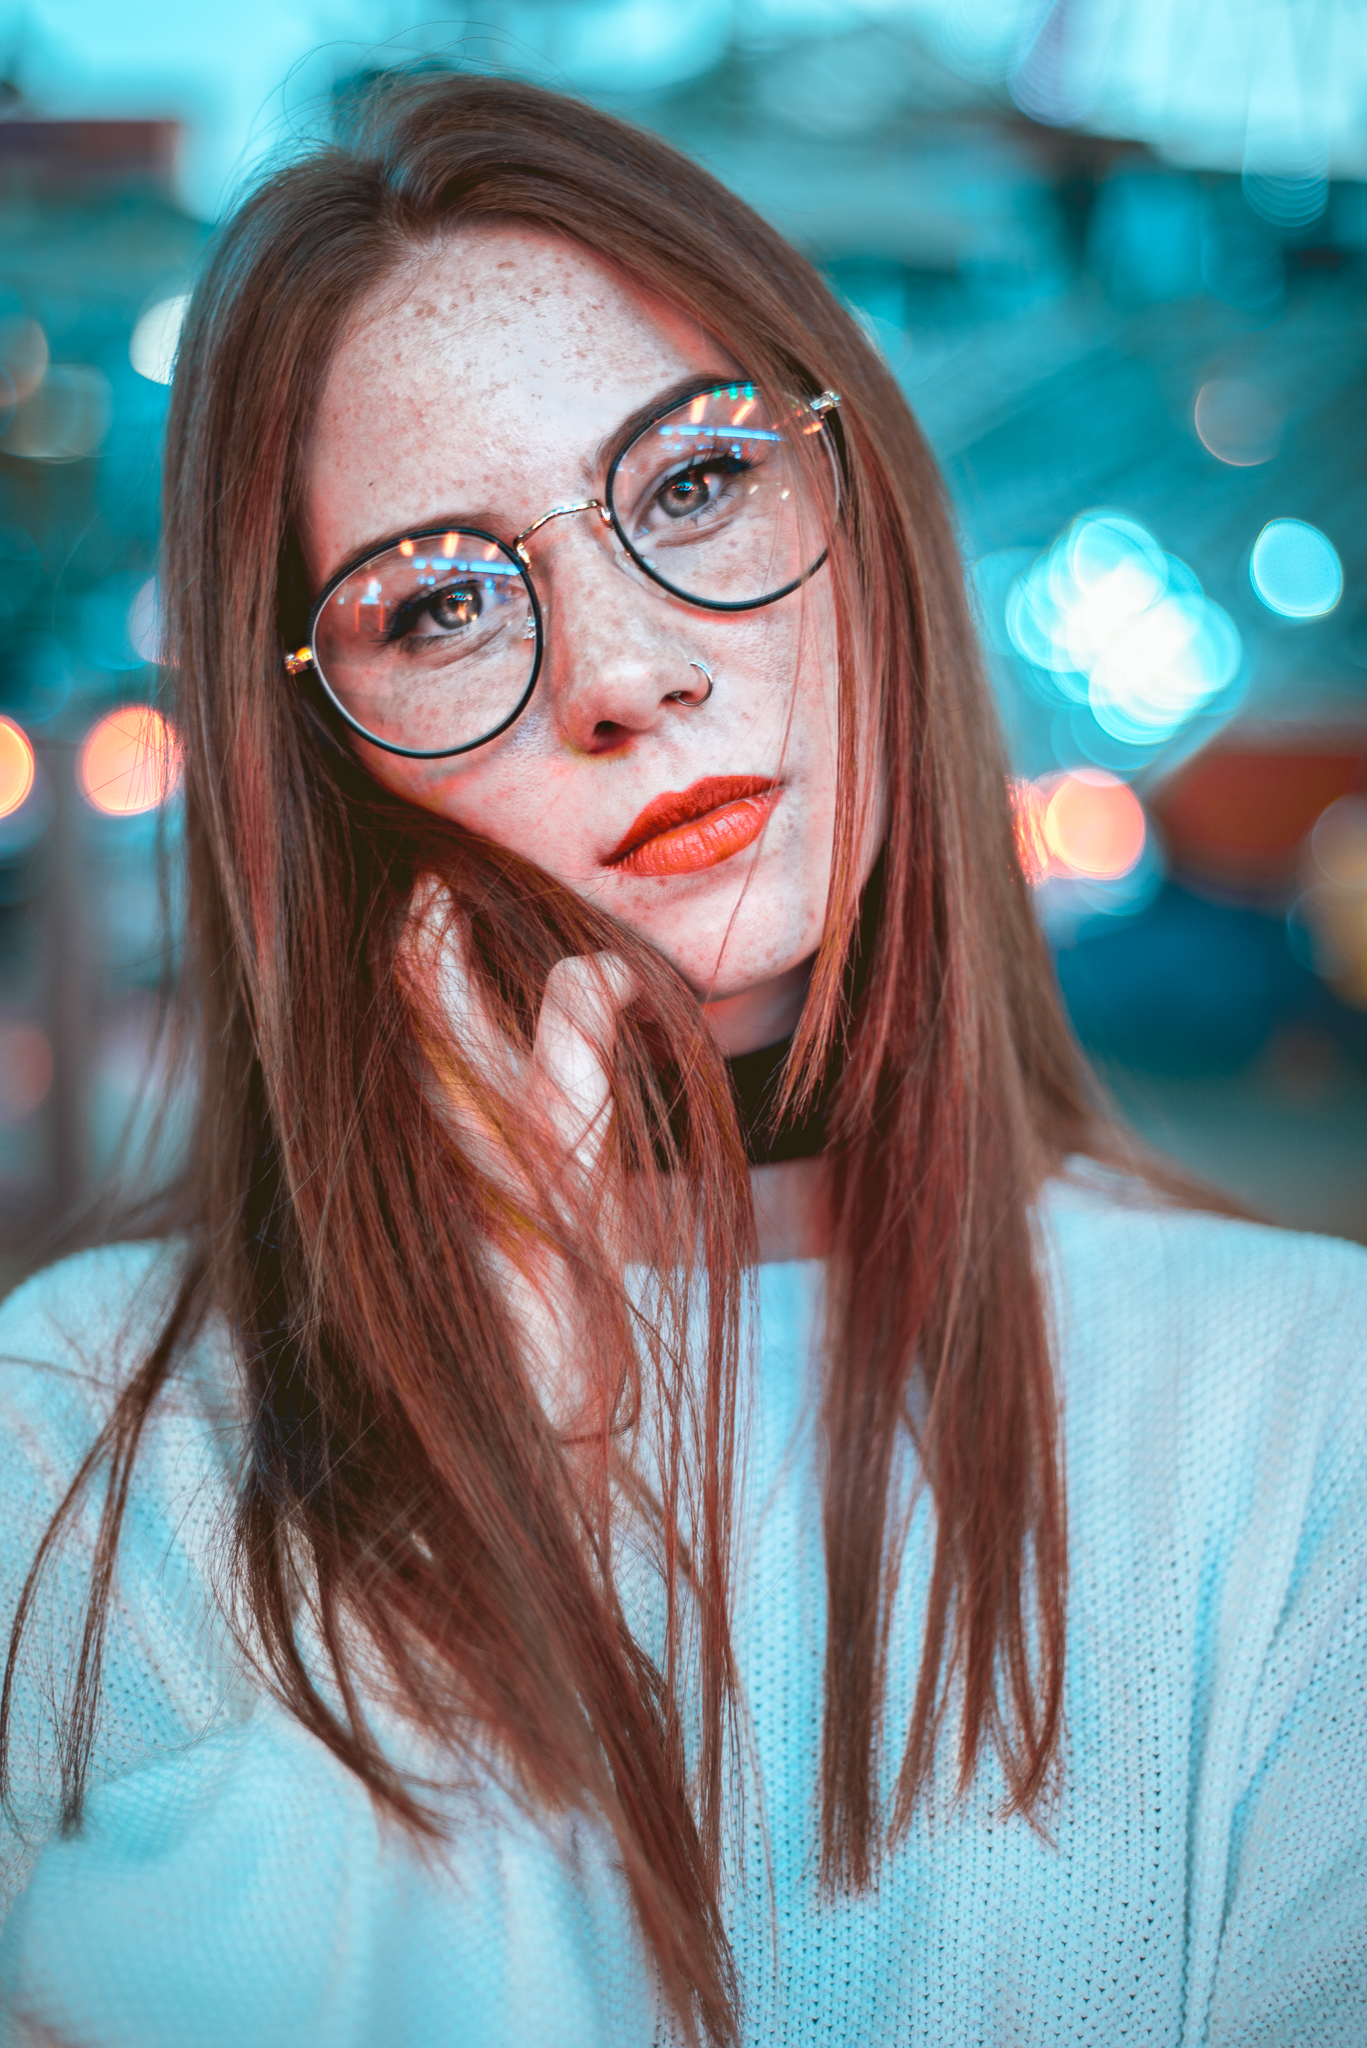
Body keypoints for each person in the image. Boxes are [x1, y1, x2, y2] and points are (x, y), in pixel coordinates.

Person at [0, 71, 1362, 2048]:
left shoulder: (1310, 1416)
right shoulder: (72, 1447)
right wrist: (467, 1539)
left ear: (861, 499)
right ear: (326, 754)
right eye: (446, 600)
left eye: (699, 482)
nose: (627, 668)